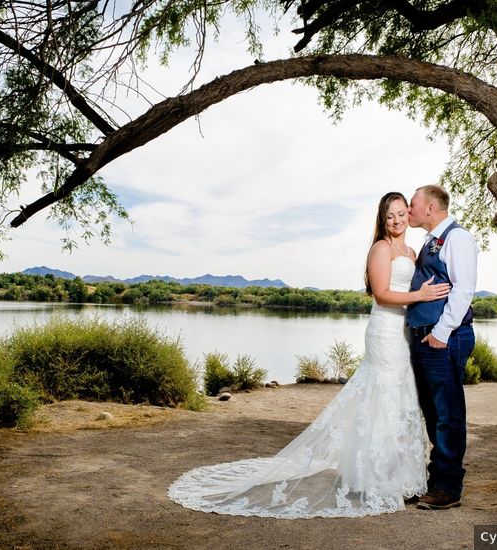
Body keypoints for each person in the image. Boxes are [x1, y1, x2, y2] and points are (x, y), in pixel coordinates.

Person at [167, 191, 450, 518]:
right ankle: (376, 480)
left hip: (403, 333)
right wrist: (420, 294)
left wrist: (428, 299)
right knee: (383, 395)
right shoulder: (381, 249)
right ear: (382, 220)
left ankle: (400, 479)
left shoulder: (412, 250)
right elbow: (383, 294)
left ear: (408, 214)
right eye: (391, 216)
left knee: (400, 397)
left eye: (402, 213)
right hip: (384, 331)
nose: (398, 220)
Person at [405, 185, 478, 510]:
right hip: (424, 337)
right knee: (432, 411)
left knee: (447, 413)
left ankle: (448, 487)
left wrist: (441, 332)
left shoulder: (457, 239)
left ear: (431, 208)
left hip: (444, 338)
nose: (409, 210)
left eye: (413, 205)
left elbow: (463, 291)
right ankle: (437, 480)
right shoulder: (428, 241)